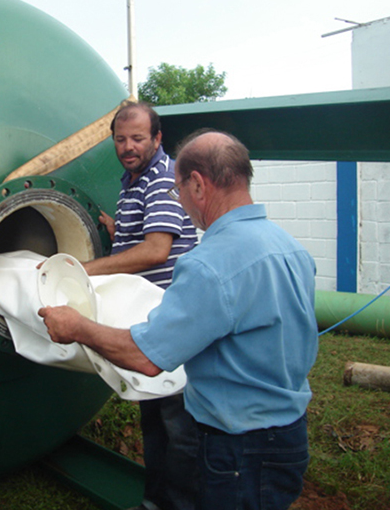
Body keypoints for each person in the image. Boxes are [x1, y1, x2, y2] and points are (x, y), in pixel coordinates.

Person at [39, 130, 318, 510]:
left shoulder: (209, 265)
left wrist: (77, 327)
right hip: (288, 437)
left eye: (177, 190)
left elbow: (146, 358)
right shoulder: (291, 248)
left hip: (239, 448)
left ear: (199, 185)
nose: (180, 200)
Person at [83, 102, 199, 510]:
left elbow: (155, 251)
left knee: (177, 425)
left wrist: (85, 271)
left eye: (137, 138)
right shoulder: (134, 180)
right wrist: (116, 229)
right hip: (147, 316)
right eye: (120, 139)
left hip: (173, 314)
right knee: (154, 419)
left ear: (157, 138)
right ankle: (155, 504)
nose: (128, 146)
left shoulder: (162, 177)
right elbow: (144, 237)